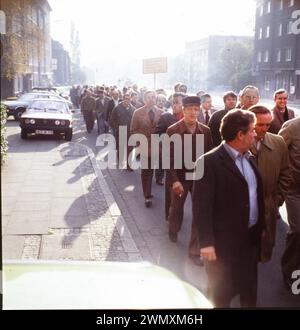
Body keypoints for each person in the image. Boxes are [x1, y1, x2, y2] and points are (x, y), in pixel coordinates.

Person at [193, 109, 265, 307]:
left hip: (249, 240)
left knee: (249, 291)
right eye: (252, 130)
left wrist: (261, 227)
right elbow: (201, 206)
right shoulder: (208, 162)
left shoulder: (250, 156)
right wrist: (206, 242)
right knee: (221, 295)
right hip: (222, 245)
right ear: (240, 135)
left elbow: (254, 195)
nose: (255, 134)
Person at [167, 96, 213, 266]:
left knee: (200, 213)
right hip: (180, 178)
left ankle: (194, 250)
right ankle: (173, 229)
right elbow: (168, 158)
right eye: (190, 109)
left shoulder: (205, 131)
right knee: (176, 208)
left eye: (196, 109)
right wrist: (174, 181)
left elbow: (210, 158)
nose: (193, 112)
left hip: (199, 178)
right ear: (183, 110)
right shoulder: (173, 130)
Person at [249, 105, 292, 263]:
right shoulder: (238, 142)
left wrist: (277, 199)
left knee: (264, 250)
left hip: (268, 205)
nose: (265, 129)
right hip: (244, 208)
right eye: (260, 124)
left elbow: (285, 173)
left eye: (268, 124)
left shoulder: (278, 142)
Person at [130, 90, 163, 207]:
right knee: (146, 172)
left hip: (158, 147)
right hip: (144, 146)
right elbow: (133, 129)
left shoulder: (161, 112)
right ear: (144, 99)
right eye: (148, 97)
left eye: (153, 97)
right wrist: (139, 144)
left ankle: (150, 188)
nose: (151, 99)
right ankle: (147, 195)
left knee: (154, 170)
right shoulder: (138, 112)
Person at [155, 92, 185, 219]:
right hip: (171, 160)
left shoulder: (192, 117)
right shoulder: (166, 117)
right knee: (171, 189)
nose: (174, 105)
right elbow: (157, 135)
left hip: (189, 161)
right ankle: (169, 214)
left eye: (177, 102)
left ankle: (180, 211)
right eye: (172, 102)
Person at [279, 117, 300, 288]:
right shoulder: (292, 127)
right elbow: (276, 153)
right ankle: (289, 270)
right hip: (295, 190)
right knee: (298, 230)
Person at [109, 93, 135, 170]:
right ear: (123, 99)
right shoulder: (117, 108)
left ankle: (129, 165)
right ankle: (121, 161)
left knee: (130, 149)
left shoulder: (133, 109)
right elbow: (112, 121)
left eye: (129, 99)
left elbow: (135, 120)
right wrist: (117, 128)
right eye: (126, 99)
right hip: (120, 131)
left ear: (130, 99)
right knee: (121, 148)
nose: (127, 100)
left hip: (130, 132)